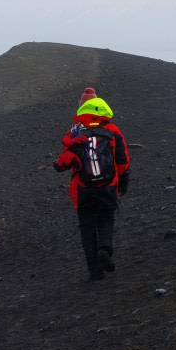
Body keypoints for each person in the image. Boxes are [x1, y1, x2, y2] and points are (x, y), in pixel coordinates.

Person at [54, 87, 131, 280]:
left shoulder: (74, 133)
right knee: (106, 219)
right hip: (108, 186)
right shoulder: (112, 130)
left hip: (82, 189)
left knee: (87, 227)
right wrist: (123, 182)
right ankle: (105, 248)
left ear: (81, 108)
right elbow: (123, 161)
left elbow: (63, 162)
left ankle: (95, 271)